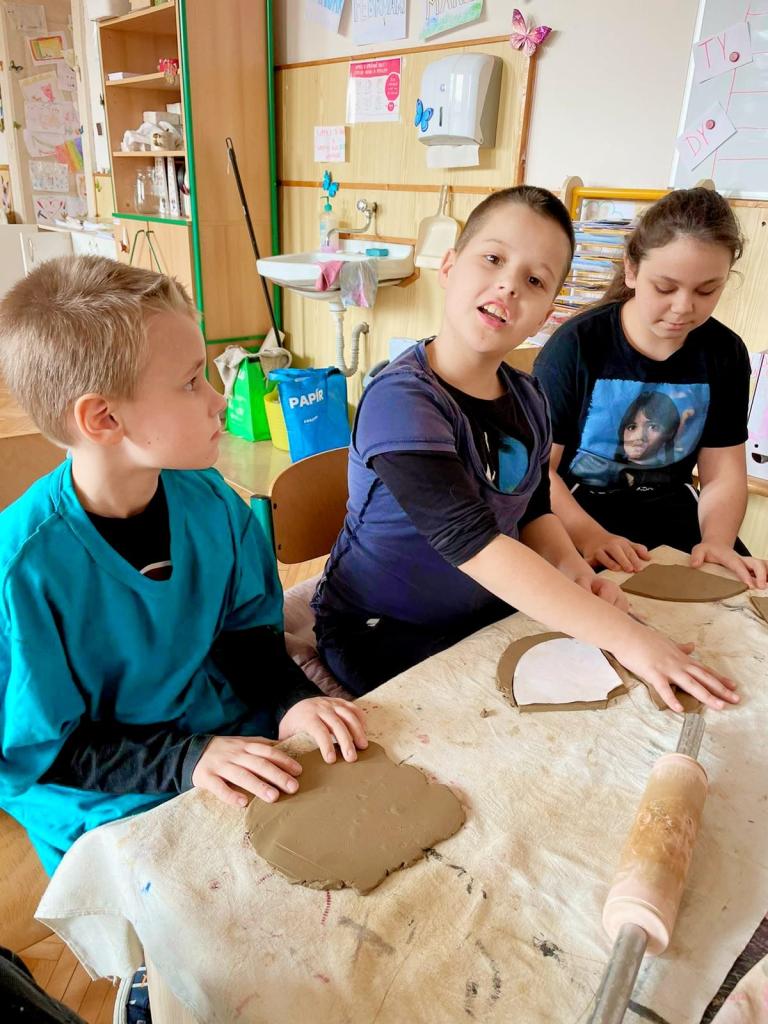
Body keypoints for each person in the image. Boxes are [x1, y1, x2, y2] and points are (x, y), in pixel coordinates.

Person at [0, 256, 367, 874]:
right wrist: (187, 759)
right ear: (104, 418)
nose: (218, 400)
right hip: (106, 785)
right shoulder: (22, 572)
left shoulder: (212, 502)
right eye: (193, 381)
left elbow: (246, 635)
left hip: (213, 727)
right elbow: (44, 752)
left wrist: (291, 701)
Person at [311, 186, 739, 714]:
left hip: (482, 613)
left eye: (535, 280)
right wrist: (630, 639)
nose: (509, 285)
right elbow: (474, 542)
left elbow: (534, 510)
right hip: (379, 628)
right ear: (449, 266)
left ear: (546, 313)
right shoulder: (401, 399)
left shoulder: (527, 396)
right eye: (493, 259)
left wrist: (572, 569)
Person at [534, 187, 767, 588]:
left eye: (706, 290)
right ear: (631, 270)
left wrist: (717, 541)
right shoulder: (576, 346)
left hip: (671, 511)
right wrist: (589, 536)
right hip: (574, 513)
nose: (683, 307)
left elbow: (723, 474)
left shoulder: (724, 352)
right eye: (665, 288)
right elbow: (540, 475)